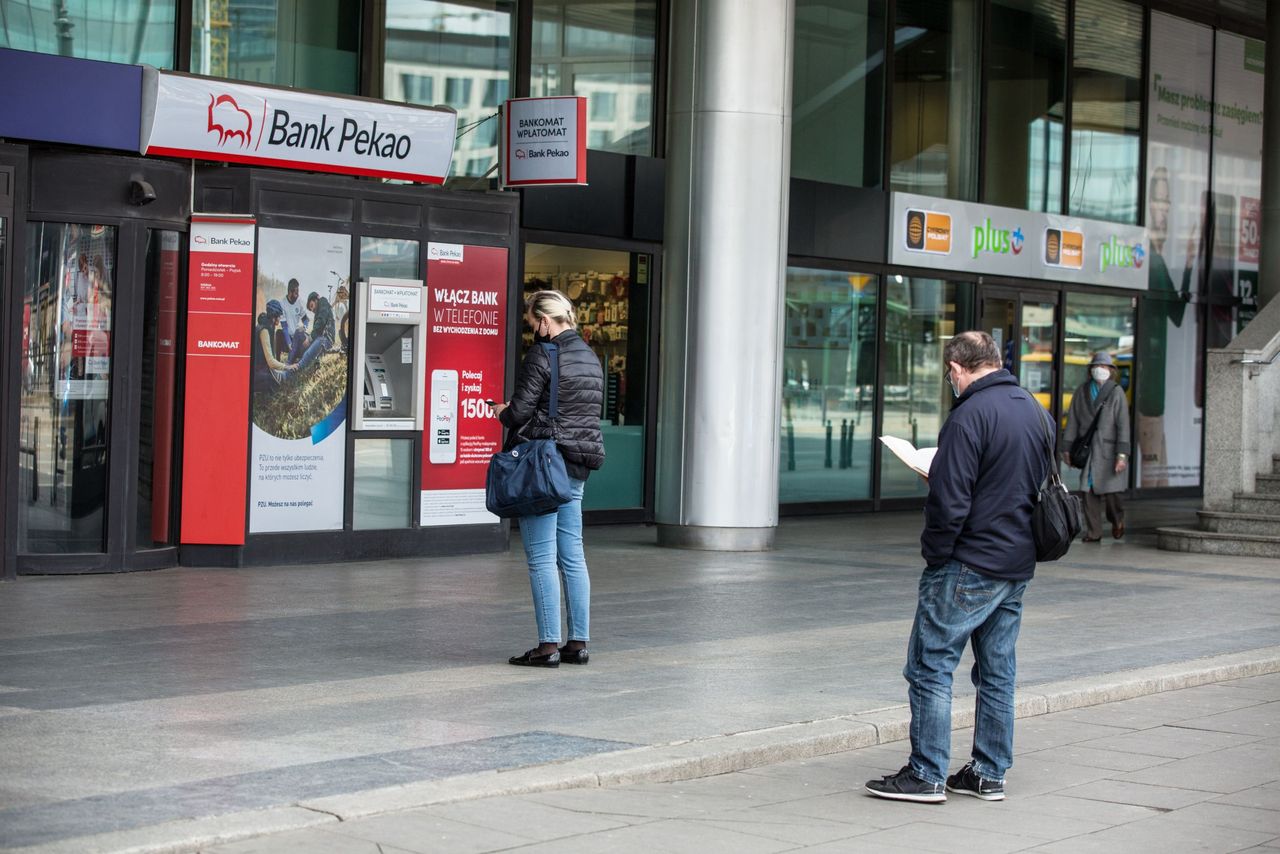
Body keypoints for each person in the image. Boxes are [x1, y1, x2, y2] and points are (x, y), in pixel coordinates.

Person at [865, 331, 1049, 804]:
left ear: (956, 368)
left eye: (950, 374)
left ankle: (926, 773)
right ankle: (989, 773)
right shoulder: (1032, 408)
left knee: (930, 665)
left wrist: (935, 554)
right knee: (997, 672)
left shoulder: (968, 416)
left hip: (969, 561)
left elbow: (951, 502)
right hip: (1016, 564)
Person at [493, 290, 605, 668]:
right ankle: (578, 642)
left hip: (544, 466)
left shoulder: (543, 354)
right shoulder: (591, 357)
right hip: (576, 467)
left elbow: (522, 411)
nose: (534, 332)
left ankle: (547, 647)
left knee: (541, 559)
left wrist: (503, 411)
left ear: (544, 321)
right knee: (572, 556)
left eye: (533, 325)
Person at [1063, 351, 1130, 541]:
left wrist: (1122, 455)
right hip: (1089, 450)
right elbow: (1073, 421)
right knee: (1088, 491)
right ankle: (1094, 532)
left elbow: (1123, 425)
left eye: (1103, 366)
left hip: (1109, 452)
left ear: (1111, 370)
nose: (1099, 370)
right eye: (1096, 366)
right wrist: (1066, 448)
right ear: (1090, 370)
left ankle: (1117, 520)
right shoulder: (1082, 392)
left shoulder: (1116, 392)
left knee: (1112, 495)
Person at [279, 278, 310, 363]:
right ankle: (277, 361)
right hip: (288, 340)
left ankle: (291, 361)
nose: (298, 294)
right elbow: (284, 327)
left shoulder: (299, 302)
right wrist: (289, 343)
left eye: (298, 292)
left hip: (298, 338)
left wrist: (305, 326)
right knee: (278, 333)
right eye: (296, 293)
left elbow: (306, 319)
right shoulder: (282, 304)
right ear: (290, 292)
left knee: (299, 332)